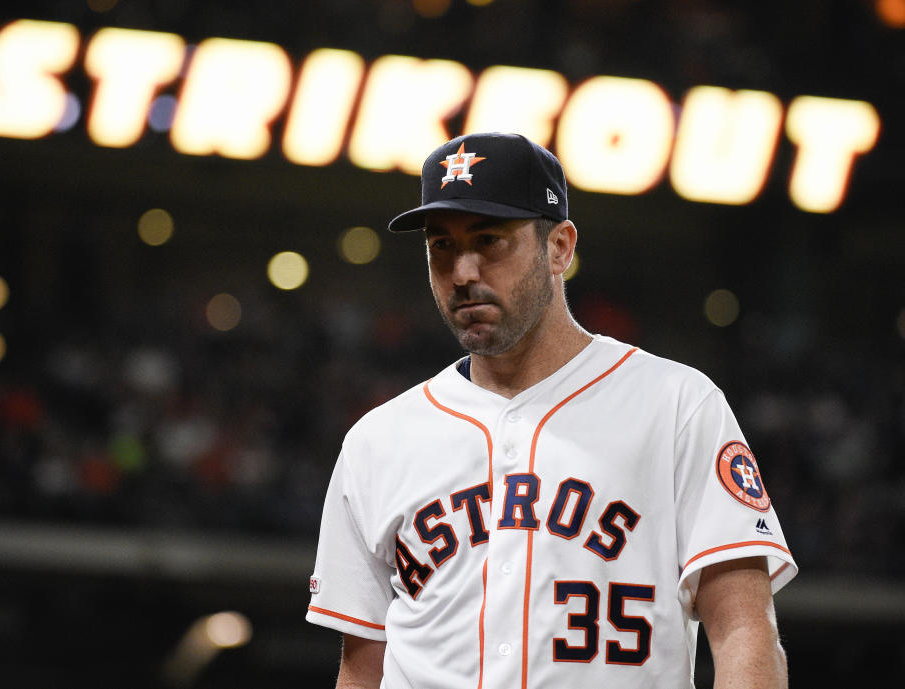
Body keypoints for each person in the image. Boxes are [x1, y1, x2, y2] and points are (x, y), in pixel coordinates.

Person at [306, 132, 797, 689]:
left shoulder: (676, 404)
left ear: (560, 246)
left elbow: (743, 631)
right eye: (441, 246)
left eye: (490, 239)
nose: (463, 272)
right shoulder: (379, 439)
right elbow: (362, 664)